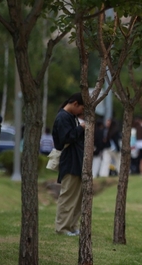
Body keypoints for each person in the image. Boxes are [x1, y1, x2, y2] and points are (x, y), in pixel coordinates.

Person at [52, 93, 85, 236]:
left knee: (77, 198)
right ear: (76, 104)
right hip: (70, 161)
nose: (82, 112)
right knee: (67, 196)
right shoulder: (62, 117)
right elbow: (66, 138)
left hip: (77, 161)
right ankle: (62, 228)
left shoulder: (71, 117)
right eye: (82, 108)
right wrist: (81, 128)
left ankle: (72, 226)